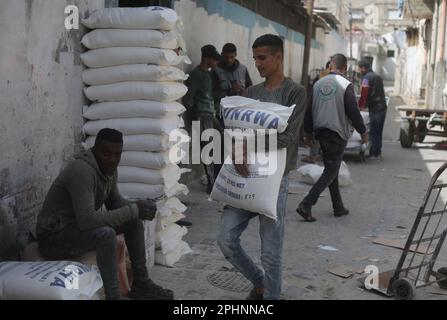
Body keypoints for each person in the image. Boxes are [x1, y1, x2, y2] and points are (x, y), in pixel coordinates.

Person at [217, 34, 306, 300]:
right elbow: (237, 132)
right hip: (246, 176)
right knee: (225, 238)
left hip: (275, 180)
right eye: (254, 58)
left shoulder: (295, 93)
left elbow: (287, 139)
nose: (256, 63)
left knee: (270, 251)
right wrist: (238, 150)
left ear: (278, 57)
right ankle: (259, 281)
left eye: (262, 58)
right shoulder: (252, 93)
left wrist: (249, 142)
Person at [36, 128, 174, 300]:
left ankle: (141, 284)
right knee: (105, 234)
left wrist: (140, 209)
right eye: (106, 153)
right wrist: (134, 209)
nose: (112, 159)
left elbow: (114, 202)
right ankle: (113, 296)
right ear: (95, 150)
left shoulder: (108, 170)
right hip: (53, 237)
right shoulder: (82, 171)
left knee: (134, 221)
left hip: (74, 228)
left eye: (117, 154)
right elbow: (87, 220)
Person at [296, 54, 368, 222]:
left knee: (332, 169)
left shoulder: (318, 84)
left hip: (321, 132)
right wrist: (363, 131)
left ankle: (338, 207)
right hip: (336, 133)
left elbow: (309, 109)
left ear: (330, 66)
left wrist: (307, 132)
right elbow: (353, 111)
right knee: (330, 170)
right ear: (345, 68)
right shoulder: (345, 85)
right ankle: (306, 204)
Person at [183, 44, 222, 194]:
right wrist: (195, 114)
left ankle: (216, 180)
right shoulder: (196, 74)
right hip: (201, 115)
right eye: (214, 59)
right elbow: (188, 97)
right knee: (207, 149)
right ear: (207, 59)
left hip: (210, 114)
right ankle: (212, 182)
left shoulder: (208, 74)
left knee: (219, 145)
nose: (216, 62)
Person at [358, 58, 387, 160]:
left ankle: (373, 154)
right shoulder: (377, 76)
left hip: (375, 108)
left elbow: (364, 93)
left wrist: (360, 105)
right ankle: (378, 152)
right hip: (383, 107)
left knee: (374, 132)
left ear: (363, 68)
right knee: (379, 131)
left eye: (359, 68)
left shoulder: (366, 78)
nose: (359, 71)